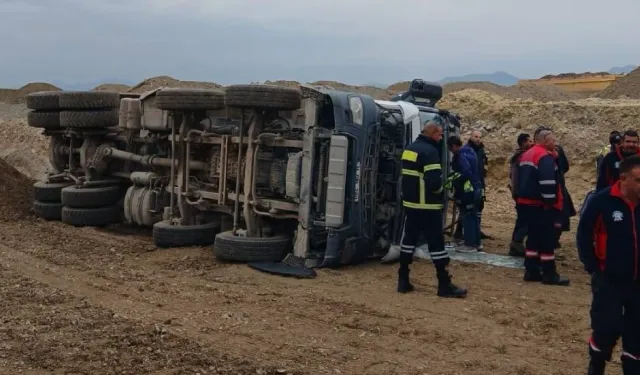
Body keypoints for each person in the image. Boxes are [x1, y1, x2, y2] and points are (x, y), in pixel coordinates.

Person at [577, 155, 640, 375]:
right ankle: (597, 363)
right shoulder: (601, 201)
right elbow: (584, 235)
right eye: (639, 180)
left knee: (636, 335)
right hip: (609, 280)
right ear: (624, 178)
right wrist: (593, 266)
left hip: (638, 283)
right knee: (607, 328)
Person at [397, 119, 467, 297]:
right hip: (428, 206)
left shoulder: (410, 149)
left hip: (411, 206)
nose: (441, 137)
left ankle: (403, 280)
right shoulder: (430, 152)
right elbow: (434, 182)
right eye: (439, 134)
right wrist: (443, 189)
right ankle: (444, 284)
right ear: (431, 133)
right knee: (437, 245)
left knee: (408, 241)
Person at [516, 128, 570, 285]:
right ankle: (549, 273)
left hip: (526, 203)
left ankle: (531, 269)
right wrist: (551, 205)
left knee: (533, 237)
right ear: (546, 141)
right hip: (540, 204)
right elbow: (547, 183)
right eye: (553, 140)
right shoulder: (544, 157)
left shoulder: (527, 154)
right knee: (547, 238)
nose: (555, 143)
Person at [453, 130, 492, 241]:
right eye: (476, 136)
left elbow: (483, 168)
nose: (478, 138)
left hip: (479, 183)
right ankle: (461, 232)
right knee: (467, 209)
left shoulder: (481, 151)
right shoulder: (466, 150)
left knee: (479, 206)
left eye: (480, 137)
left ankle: (476, 231)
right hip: (469, 185)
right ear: (471, 137)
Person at [447, 135, 483, 253]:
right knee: (473, 216)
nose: (451, 152)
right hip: (476, 189)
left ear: (453, 146)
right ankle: (476, 243)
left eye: (450, 149)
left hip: (467, 191)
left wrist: (454, 180)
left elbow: (466, 172)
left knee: (468, 217)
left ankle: (470, 244)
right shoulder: (470, 151)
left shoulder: (460, 155)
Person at [508, 133, 533, 256]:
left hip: (519, 193)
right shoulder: (522, 157)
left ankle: (516, 244)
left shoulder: (517, 156)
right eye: (529, 141)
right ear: (523, 143)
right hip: (522, 194)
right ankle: (516, 244)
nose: (531, 143)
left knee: (522, 219)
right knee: (525, 220)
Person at [553, 142, 576, 249]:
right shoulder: (557, 148)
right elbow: (565, 167)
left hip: (557, 188)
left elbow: (565, 167)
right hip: (557, 188)